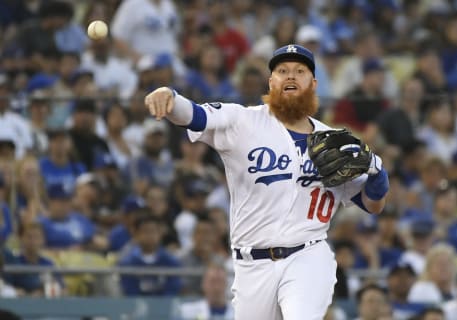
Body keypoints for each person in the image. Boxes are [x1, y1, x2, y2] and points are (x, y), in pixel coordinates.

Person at [144, 44, 389, 319]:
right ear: (272, 82)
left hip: (307, 255)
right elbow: (194, 115)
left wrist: (378, 172)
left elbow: (372, 203)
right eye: (282, 71)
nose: (291, 76)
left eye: (300, 71)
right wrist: (169, 96)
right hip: (252, 265)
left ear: (313, 83)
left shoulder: (333, 141)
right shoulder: (242, 121)